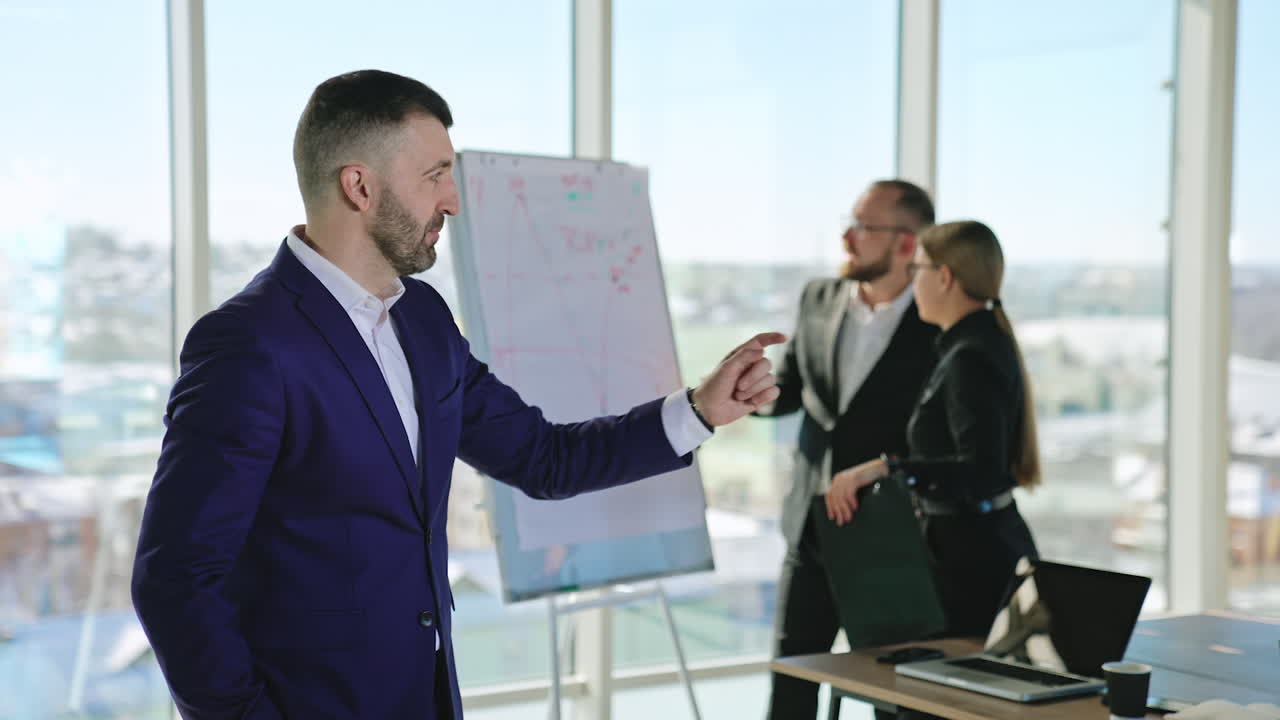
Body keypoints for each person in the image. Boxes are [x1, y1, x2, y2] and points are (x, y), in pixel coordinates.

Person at [130, 69, 784, 720]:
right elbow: (175, 581)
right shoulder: (250, 344)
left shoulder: (423, 320)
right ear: (359, 186)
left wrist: (697, 411)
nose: (454, 200)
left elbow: (542, 457)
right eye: (434, 175)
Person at [755, 180, 939, 719]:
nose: (847, 238)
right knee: (790, 684)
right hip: (810, 525)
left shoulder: (936, 324)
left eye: (863, 227)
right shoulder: (818, 298)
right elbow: (789, 391)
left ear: (907, 244)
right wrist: (745, 392)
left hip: (892, 537)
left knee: (895, 698)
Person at [827, 219, 1040, 641]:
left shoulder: (969, 357)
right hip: (975, 551)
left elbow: (979, 471)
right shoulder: (972, 345)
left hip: (970, 564)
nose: (911, 281)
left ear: (944, 277)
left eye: (917, 269)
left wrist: (887, 468)